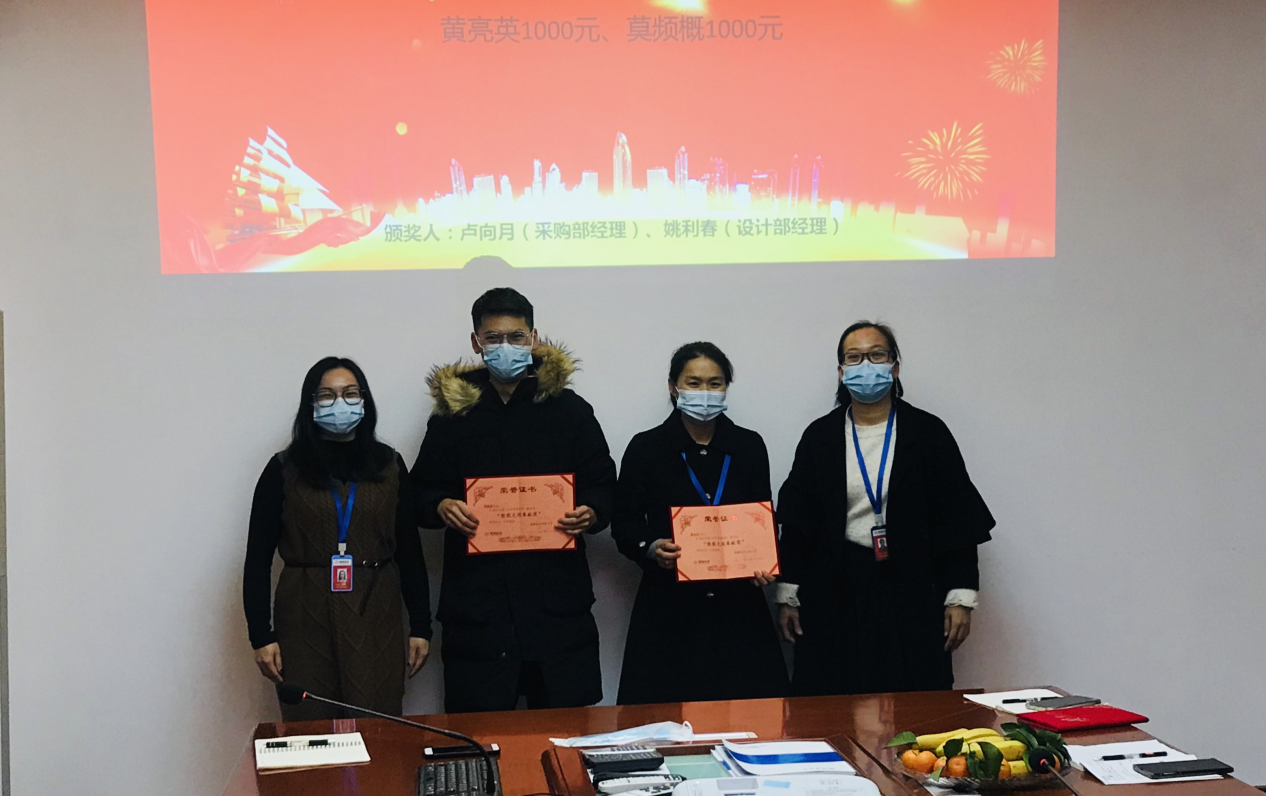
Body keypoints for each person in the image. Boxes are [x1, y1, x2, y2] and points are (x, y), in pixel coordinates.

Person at [410, 287, 617, 713]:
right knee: (480, 737)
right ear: (476, 343)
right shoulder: (453, 415)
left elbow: (604, 484)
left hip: (556, 610)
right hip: (479, 613)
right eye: (494, 338)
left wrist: (592, 510)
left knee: (563, 736)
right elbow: (418, 492)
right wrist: (441, 505)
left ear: (534, 339)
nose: (506, 346)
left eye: (516, 337)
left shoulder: (569, 410)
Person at [775, 321, 995, 695]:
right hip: (836, 586)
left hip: (912, 585)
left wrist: (961, 596)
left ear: (894, 366)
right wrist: (788, 595)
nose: (866, 365)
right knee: (832, 696)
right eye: (854, 357)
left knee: (914, 698)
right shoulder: (820, 437)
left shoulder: (928, 433)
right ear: (841, 372)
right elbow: (798, 526)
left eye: (876, 355)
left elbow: (955, 520)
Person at [243, 357, 432, 721]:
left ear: (365, 400)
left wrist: (421, 626)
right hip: (304, 612)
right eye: (327, 395)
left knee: (378, 725)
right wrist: (260, 635)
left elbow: (410, 551)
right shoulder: (283, 468)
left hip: (376, 609)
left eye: (350, 393)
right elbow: (257, 559)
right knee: (311, 725)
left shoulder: (389, 465)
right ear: (310, 404)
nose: (339, 403)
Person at [613, 342, 790, 705]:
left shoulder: (748, 446)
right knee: (665, 721)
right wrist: (651, 548)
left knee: (753, 718)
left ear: (726, 387)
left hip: (739, 608)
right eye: (693, 383)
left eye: (715, 383)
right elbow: (625, 523)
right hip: (669, 609)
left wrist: (764, 562)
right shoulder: (647, 448)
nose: (704, 393)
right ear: (673, 387)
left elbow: (762, 520)